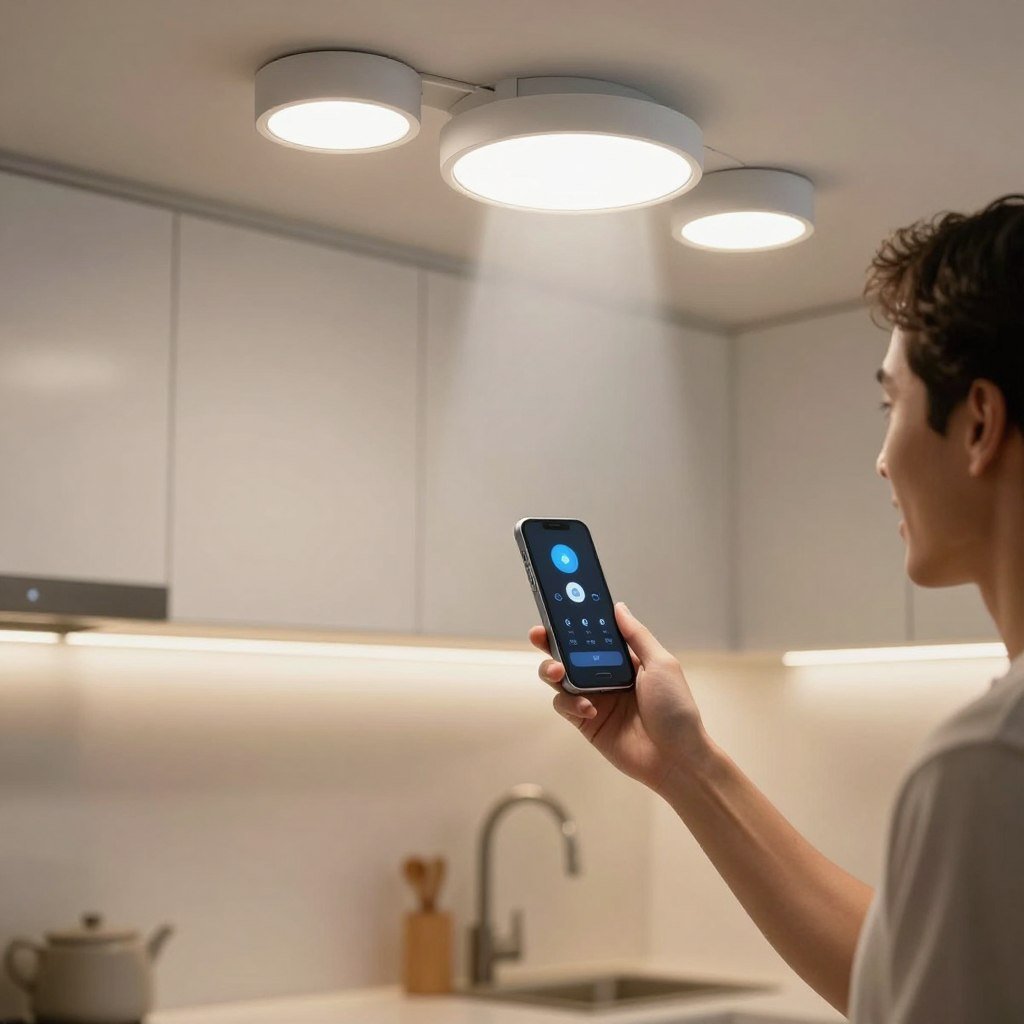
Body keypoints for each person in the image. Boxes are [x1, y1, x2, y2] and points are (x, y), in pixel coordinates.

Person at [528, 194, 1024, 1022]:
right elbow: (902, 978)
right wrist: (687, 767)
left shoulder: (988, 763)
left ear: (977, 423)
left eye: (889, 405)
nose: (880, 460)